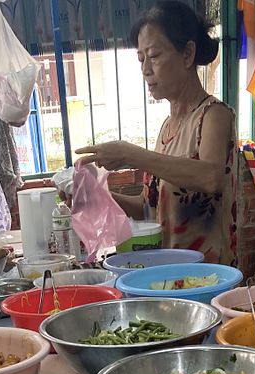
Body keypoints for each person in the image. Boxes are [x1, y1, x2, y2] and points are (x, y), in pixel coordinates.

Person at [75, 1, 238, 265]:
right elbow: (147, 208)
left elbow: (211, 177)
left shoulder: (213, 115)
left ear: (187, 54)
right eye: (141, 59)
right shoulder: (167, 129)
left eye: (154, 56)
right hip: (170, 276)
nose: (145, 70)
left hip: (209, 277)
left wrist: (132, 154)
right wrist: (97, 193)